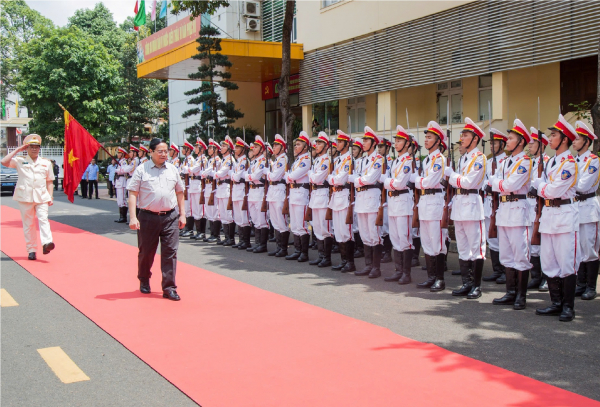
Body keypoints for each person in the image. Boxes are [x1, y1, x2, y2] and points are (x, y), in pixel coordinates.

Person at [532, 115, 581, 321]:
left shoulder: (569, 164)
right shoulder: (551, 161)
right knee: (549, 261)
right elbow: (547, 190)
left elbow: (552, 190)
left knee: (566, 262)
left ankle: (568, 307)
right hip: (549, 216)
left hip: (564, 217)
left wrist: (539, 185)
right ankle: (555, 302)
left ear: (565, 140)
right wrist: (543, 187)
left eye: (554, 135)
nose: (550, 139)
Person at [128, 138, 186, 301]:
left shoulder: (173, 169)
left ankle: (169, 287)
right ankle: (144, 279)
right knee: (146, 252)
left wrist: (182, 214)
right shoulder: (142, 170)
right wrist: (133, 217)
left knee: (170, 252)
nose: (164, 154)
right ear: (151, 152)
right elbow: (133, 193)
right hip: (148, 217)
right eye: (160, 151)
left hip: (170, 217)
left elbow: (180, 192)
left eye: (166, 151)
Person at [444, 118, 487, 299]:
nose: (462, 138)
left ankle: (476, 286)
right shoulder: (463, 158)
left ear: (475, 139)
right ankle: (466, 283)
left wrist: (451, 175)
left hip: (472, 205)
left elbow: (469, 182)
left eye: (466, 135)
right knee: (462, 247)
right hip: (461, 205)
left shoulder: (479, 158)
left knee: (476, 247)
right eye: (462, 135)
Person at [1, 134, 55, 260]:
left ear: (39, 148)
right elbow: (4, 162)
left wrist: (50, 196)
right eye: (31, 147)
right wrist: (18, 149)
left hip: (42, 196)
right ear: (27, 148)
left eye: (37, 147)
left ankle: (47, 243)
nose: (34, 149)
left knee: (43, 219)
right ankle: (31, 250)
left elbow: (49, 181)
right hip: (25, 197)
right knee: (28, 224)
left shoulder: (46, 163)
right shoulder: (19, 160)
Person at [409, 121, 447, 291]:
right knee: (427, 242)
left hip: (434, 203)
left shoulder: (439, 159)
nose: (426, 140)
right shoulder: (427, 160)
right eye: (425, 137)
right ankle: (431, 277)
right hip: (425, 203)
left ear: (438, 141)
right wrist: (421, 182)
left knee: (437, 241)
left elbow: (431, 181)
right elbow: (426, 182)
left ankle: (439, 278)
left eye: (429, 137)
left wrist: (416, 181)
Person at [351, 126, 385, 279]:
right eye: (363, 140)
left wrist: (358, 181)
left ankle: (376, 268)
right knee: (364, 234)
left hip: (372, 198)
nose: (363, 143)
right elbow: (355, 178)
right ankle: (368, 265)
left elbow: (370, 179)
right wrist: (359, 181)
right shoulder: (361, 160)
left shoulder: (378, 159)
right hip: (361, 199)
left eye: (366, 140)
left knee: (374, 234)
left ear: (373, 143)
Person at [382, 125, 414, 284]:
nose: (396, 143)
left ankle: (406, 274)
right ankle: (398, 270)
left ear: (407, 144)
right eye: (395, 140)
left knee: (404, 237)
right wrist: (390, 183)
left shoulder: (408, 161)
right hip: (393, 202)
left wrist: (387, 182)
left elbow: (400, 183)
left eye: (399, 140)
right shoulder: (395, 162)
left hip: (403, 202)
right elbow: (394, 182)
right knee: (394, 237)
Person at [573, 121, 599, 301]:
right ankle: (580, 283)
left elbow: (583, 185)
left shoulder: (594, 160)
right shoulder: (573, 160)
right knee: (578, 247)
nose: (574, 142)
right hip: (575, 208)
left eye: (577, 139)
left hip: (588, 207)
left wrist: (564, 184)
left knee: (589, 247)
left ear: (587, 142)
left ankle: (591, 286)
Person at [328, 130, 356, 273]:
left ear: (346, 144)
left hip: (345, 196)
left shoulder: (349, 159)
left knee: (346, 232)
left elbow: (340, 179)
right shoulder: (338, 160)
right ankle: (343, 260)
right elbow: (330, 178)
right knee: (338, 231)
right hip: (336, 196)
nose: (337, 144)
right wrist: (334, 179)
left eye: (340, 142)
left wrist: (333, 179)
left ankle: (350, 262)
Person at [482, 129, 508, 284]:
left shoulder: (505, 161)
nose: (492, 146)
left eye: (495, 143)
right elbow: (484, 181)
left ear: (502, 145)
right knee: (492, 239)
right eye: (491, 143)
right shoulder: (489, 161)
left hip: (501, 203)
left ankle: (505, 270)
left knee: (502, 238)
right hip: (489, 203)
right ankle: (497, 270)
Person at [527, 128, 550, 291]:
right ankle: (535, 277)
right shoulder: (531, 162)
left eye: (532, 143)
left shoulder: (547, 162)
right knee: (532, 243)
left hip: (541, 205)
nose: (529, 145)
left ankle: (546, 277)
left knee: (543, 244)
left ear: (541, 146)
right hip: (529, 206)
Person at [284, 131, 312, 262]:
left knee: (301, 225)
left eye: (298, 144)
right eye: (295, 144)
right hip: (294, 193)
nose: (295, 147)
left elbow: (292, 176)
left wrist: (289, 177)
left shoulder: (306, 160)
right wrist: (289, 177)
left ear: (305, 147)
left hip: (301, 194)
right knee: (294, 224)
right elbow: (288, 177)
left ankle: (304, 253)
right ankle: (297, 250)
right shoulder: (297, 161)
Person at [307, 132, 333, 267]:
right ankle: (321, 255)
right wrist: (312, 175)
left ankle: (327, 258)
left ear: (326, 146)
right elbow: (312, 178)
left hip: (323, 195)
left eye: (320, 143)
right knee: (316, 227)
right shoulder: (317, 160)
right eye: (316, 143)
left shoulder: (326, 161)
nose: (316, 146)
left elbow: (316, 179)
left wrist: (311, 175)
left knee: (324, 227)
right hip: (315, 195)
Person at [244, 135, 270, 252]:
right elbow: (246, 176)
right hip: (252, 191)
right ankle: (258, 243)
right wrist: (250, 177)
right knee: (254, 218)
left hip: (260, 191)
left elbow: (255, 176)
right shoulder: (254, 162)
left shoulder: (263, 161)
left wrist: (249, 177)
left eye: (255, 147)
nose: (253, 149)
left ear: (261, 149)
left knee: (261, 219)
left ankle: (262, 245)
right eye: (253, 147)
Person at [266, 134, 290, 257]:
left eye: (276, 145)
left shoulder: (282, 159)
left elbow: (275, 176)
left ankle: (283, 248)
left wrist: (267, 173)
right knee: (274, 220)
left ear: (282, 147)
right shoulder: (276, 160)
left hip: (279, 191)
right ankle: (279, 247)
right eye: (274, 145)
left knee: (281, 220)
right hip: (272, 191)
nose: (274, 147)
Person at [214, 136, 236, 246]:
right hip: (221, 188)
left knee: (228, 214)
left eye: (224, 146)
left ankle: (231, 238)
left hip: (227, 188)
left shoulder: (230, 160)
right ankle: (227, 237)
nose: (221, 148)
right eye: (221, 146)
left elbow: (220, 173)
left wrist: (215, 173)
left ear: (229, 149)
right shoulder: (223, 160)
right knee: (222, 214)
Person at [231, 137, 252, 250]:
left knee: (244, 217)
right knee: (238, 217)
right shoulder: (239, 161)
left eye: (238, 147)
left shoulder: (244, 161)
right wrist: (233, 176)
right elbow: (234, 177)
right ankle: (241, 240)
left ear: (243, 150)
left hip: (242, 191)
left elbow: (237, 177)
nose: (235, 149)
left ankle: (246, 241)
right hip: (236, 190)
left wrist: (233, 176)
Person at [187, 138, 208, 240]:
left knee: (200, 209)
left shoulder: (203, 159)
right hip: (193, 184)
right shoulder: (196, 159)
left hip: (199, 184)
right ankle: (198, 231)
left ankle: (202, 232)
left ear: (202, 149)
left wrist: (188, 170)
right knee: (195, 209)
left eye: (197, 147)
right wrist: (189, 170)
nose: (195, 149)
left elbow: (193, 170)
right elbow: (190, 171)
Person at [114, 147, 130, 223]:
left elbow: (124, 170)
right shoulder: (120, 161)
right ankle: (121, 216)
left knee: (122, 199)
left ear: (122, 154)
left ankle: (124, 217)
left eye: (119, 153)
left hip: (122, 181)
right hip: (118, 181)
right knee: (119, 200)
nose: (118, 154)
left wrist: (117, 170)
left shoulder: (124, 162)